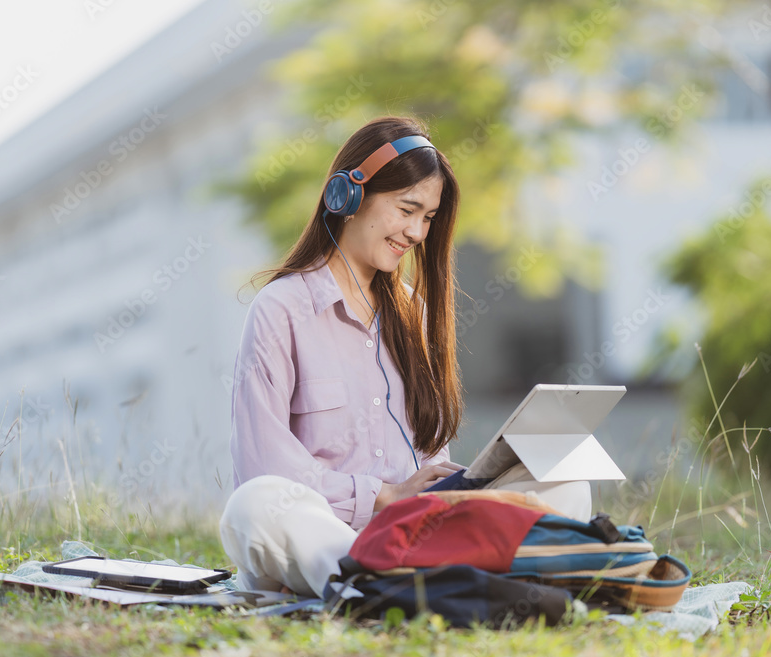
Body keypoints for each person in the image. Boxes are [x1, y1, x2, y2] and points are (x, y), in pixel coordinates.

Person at [219, 116, 591, 599]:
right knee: (255, 504)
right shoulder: (283, 308)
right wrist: (383, 496)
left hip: (416, 538)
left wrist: (455, 486)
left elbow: (427, 453)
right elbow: (263, 464)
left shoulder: (411, 311)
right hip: (325, 537)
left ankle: (427, 581)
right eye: (407, 208)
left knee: (564, 482)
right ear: (348, 197)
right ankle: (382, 583)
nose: (417, 231)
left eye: (429, 217)